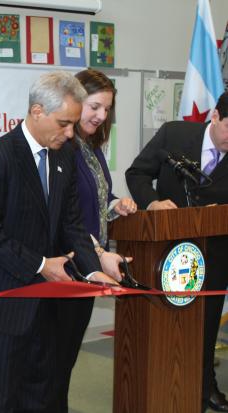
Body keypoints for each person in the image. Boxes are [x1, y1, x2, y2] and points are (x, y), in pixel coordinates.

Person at [0, 71, 119, 413]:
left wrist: (93, 272)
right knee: (2, 400)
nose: (70, 132)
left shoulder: (65, 154)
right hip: (6, 306)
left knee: (47, 397)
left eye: (74, 123)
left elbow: (72, 224)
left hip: (52, 306)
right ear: (37, 111)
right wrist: (39, 264)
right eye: (64, 123)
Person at [126, 91, 228, 412]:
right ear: (215, 117)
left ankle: (204, 386)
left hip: (216, 255)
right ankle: (161, 385)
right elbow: (137, 173)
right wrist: (153, 203)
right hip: (166, 254)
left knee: (208, 323)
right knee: (165, 324)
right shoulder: (174, 134)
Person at [56, 68, 138, 404]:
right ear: (75, 103)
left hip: (91, 266)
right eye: (95, 107)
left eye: (107, 109)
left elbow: (96, 200)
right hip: (70, 267)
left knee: (65, 361)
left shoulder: (91, 148)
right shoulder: (64, 147)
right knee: (56, 362)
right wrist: (95, 251)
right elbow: (66, 215)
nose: (102, 115)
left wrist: (116, 204)